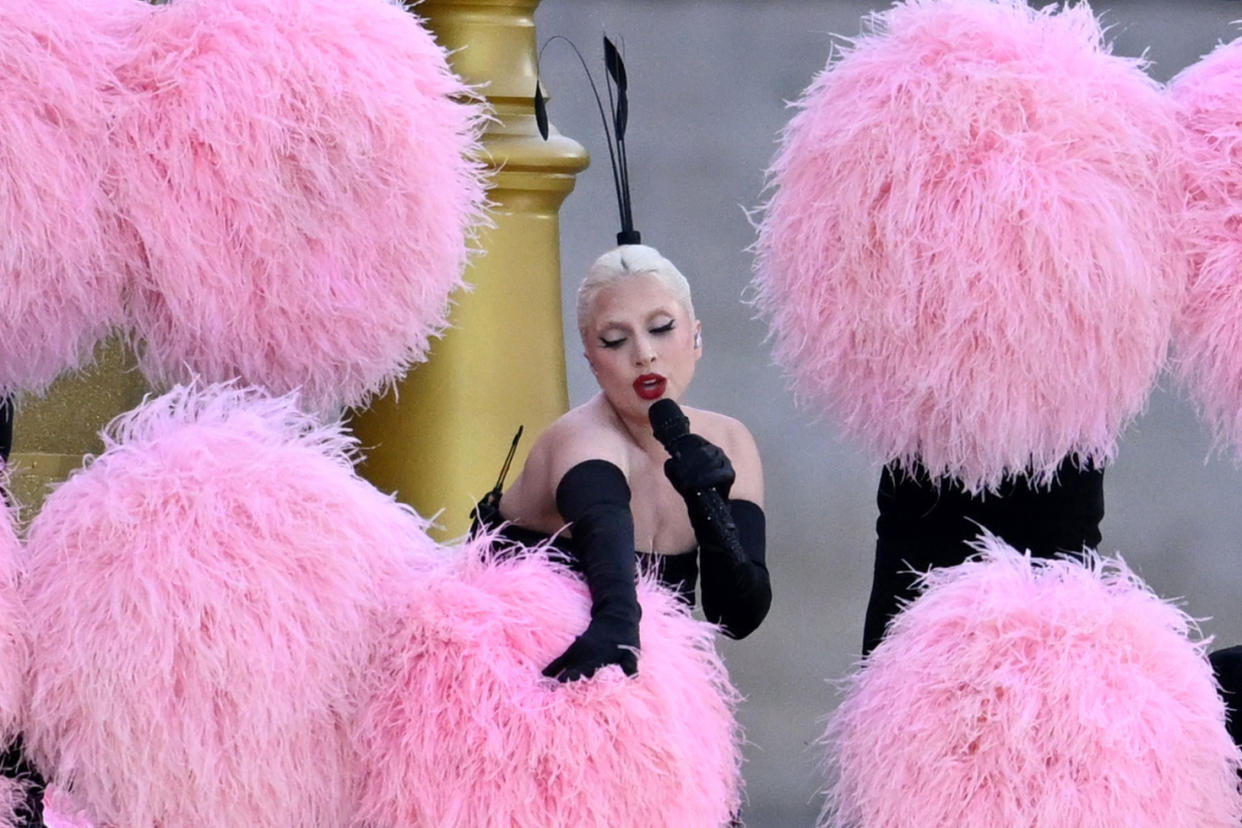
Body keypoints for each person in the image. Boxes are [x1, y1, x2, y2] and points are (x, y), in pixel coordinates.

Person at [480, 244, 771, 682]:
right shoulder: (580, 439)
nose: (643, 354)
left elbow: (737, 615)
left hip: (637, 692)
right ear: (591, 362)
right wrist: (618, 628)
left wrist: (710, 514)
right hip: (509, 679)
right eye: (615, 340)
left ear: (696, 336)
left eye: (660, 328)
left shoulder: (730, 440)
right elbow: (614, 594)